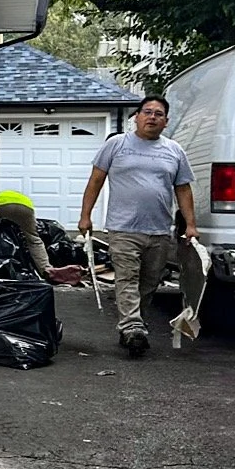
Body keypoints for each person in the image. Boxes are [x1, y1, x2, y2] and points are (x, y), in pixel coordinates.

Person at [77, 95, 198, 356]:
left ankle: (132, 327)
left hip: (158, 230)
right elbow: (96, 180)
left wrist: (190, 224)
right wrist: (85, 216)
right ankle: (133, 327)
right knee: (127, 278)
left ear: (166, 122)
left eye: (158, 114)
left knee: (149, 282)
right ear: (136, 117)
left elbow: (183, 189)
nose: (152, 117)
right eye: (147, 112)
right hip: (123, 228)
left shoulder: (174, 151)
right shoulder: (117, 145)